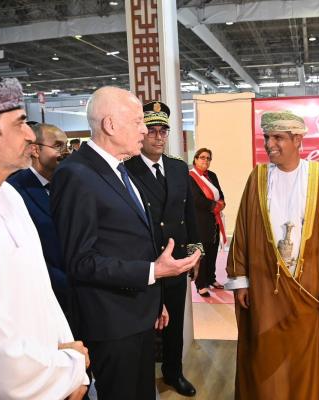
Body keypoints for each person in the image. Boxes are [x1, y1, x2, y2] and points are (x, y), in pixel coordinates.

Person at [50, 87, 201, 399]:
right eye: (138, 122)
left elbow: (131, 242)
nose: (145, 130)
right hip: (112, 322)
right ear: (110, 125)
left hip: (138, 312)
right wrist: (153, 272)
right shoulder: (77, 174)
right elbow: (80, 261)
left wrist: (154, 299)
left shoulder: (118, 168)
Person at [0, 75, 89, 399]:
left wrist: (68, 356)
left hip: (50, 376)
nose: (30, 135)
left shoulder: (9, 196)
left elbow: (41, 291)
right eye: (19, 124)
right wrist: (68, 370)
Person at [226, 110, 319, 400]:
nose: (269, 144)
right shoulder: (257, 178)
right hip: (264, 288)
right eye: (266, 137)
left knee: (304, 357)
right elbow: (242, 230)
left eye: (278, 138)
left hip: (308, 287)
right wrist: (240, 280)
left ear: (297, 140)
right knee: (264, 355)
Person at [125, 101, 202, 397]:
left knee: (175, 322)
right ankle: (143, 378)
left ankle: (173, 372)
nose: (158, 137)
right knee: (145, 323)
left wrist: (195, 252)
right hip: (146, 262)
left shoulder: (178, 167)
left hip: (177, 259)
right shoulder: (127, 169)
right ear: (142, 133)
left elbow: (189, 212)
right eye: (152, 130)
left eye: (163, 131)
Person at [8, 123, 70, 312]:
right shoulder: (13, 190)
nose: (66, 152)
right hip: (44, 294)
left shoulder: (70, 184)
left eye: (66, 146)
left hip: (79, 288)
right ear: (35, 150)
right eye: (58, 146)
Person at [189, 147, 226, 297]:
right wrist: (215, 206)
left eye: (208, 158)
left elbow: (220, 193)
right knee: (201, 253)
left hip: (214, 220)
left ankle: (211, 278)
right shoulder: (190, 177)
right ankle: (201, 284)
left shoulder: (212, 175)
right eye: (202, 157)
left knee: (212, 251)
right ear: (195, 159)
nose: (205, 160)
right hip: (200, 220)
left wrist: (222, 203)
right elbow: (196, 199)